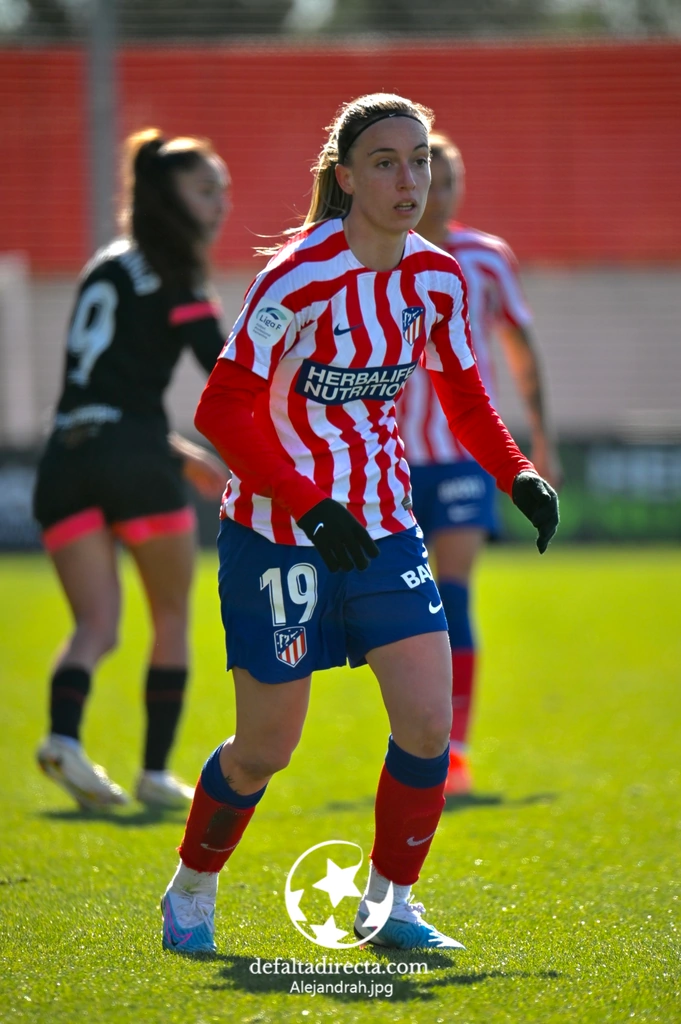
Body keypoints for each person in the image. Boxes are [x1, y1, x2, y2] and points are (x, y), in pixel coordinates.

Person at [159, 93, 558, 954]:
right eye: (385, 161)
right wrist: (307, 502)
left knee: (425, 724)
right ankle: (192, 885)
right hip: (276, 533)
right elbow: (220, 409)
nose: (408, 178)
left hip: (383, 528)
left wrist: (516, 472)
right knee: (265, 749)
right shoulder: (296, 277)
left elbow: (462, 393)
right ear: (345, 178)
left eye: (418, 159)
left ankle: (387, 907)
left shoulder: (438, 278)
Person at [33, 128, 230, 811]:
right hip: (136, 463)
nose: (220, 203)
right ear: (167, 194)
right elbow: (226, 371)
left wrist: (181, 452)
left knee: (95, 626)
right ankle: (153, 770)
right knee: (170, 615)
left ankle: (64, 737)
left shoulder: (105, 265)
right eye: (207, 189)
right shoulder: (177, 271)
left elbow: (102, 390)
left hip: (64, 457)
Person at [397, 133, 562, 797]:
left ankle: (452, 749)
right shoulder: (381, 255)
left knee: (453, 590)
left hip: (465, 457)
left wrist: (537, 439)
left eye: (451, 177)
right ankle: (414, 733)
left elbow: (519, 346)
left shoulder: (486, 259)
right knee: (397, 604)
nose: (443, 189)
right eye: (433, 176)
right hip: (391, 460)